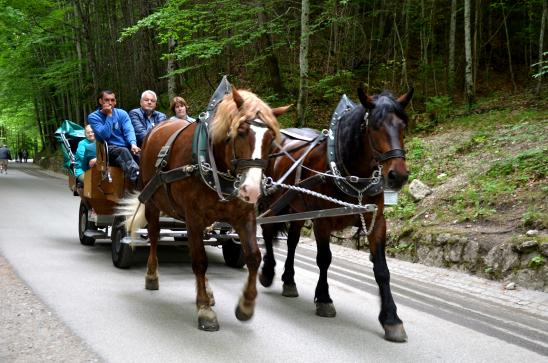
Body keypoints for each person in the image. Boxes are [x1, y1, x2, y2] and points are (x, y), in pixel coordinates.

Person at [87, 89, 140, 185]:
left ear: (115, 101)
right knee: (123, 151)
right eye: (107, 100)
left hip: (125, 147)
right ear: (101, 101)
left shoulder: (122, 113)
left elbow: (129, 130)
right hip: (106, 150)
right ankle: (138, 180)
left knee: (140, 153)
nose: (110, 103)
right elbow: (104, 135)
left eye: (112, 100)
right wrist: (109, 115)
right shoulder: (93, 117)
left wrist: (133, 144)